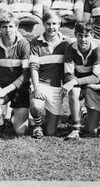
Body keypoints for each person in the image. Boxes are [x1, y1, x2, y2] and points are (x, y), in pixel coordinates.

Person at [61, 21, 100, 140]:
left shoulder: (98, 49)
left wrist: (75, 82)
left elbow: (96, 77)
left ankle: (84, 113)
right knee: (73, 91)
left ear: (92, 35)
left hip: (93, 85)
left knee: (91, 131)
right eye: (80, 35)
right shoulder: (70, 48)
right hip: (79, 85)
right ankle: (75, 129)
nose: (83, 39)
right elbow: (68, 75)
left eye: (86, 36)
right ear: (75, 34)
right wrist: (74, 83)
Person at [29, 11, 70, 139]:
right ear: (43, 24)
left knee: (51, 132)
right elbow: (34, 68)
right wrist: (36, 88)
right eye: (48, 24)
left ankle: (43, 119)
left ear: (60, 24)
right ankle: (37, 124)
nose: (51, 27)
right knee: (36, 105)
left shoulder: (66, 43)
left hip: (56, 88)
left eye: (55, 24)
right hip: (40, 84)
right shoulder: (35, 42)